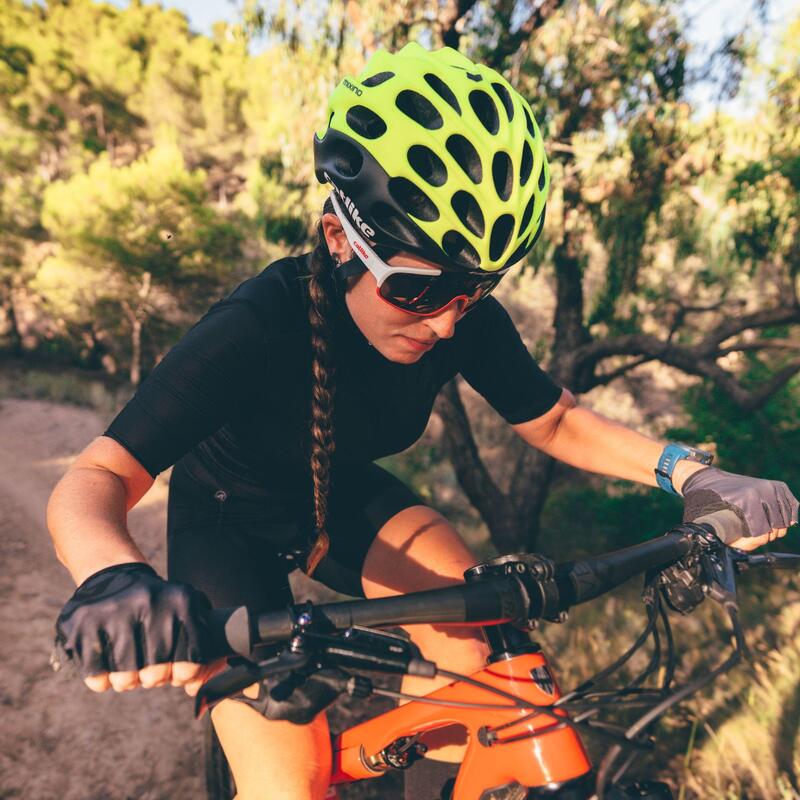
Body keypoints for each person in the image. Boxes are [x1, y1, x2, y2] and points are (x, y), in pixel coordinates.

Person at [48, 42, 797, 800]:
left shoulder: (462, 316)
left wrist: (692, 473)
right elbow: (97, 477)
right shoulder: (255, 325)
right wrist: (114, 579)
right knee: (291, 782)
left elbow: (554, 422)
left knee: (486, 663)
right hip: (226, 522)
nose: (444, 324)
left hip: (340, 499)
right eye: (416, 290)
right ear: (340, 237)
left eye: (471, 291)